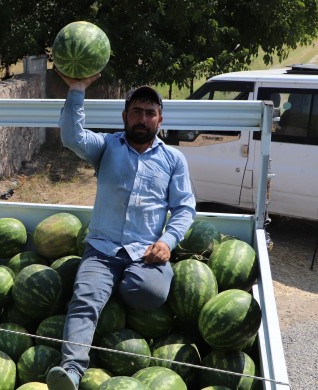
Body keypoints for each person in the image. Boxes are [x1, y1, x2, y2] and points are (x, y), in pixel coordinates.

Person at [46, 72, 196, 390]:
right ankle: (71, 369)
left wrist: (168, 241)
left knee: (150, 293)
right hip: (102, 249)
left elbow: (184, 208)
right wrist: (76, 90)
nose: (143, 118)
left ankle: (117, 288)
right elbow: (73, 137)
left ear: (159, 119)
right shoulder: (106, 147)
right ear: (125, 116)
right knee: (84, 299)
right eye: (137, 111)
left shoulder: (173, 159)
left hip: (144, 252)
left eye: (150, 112)